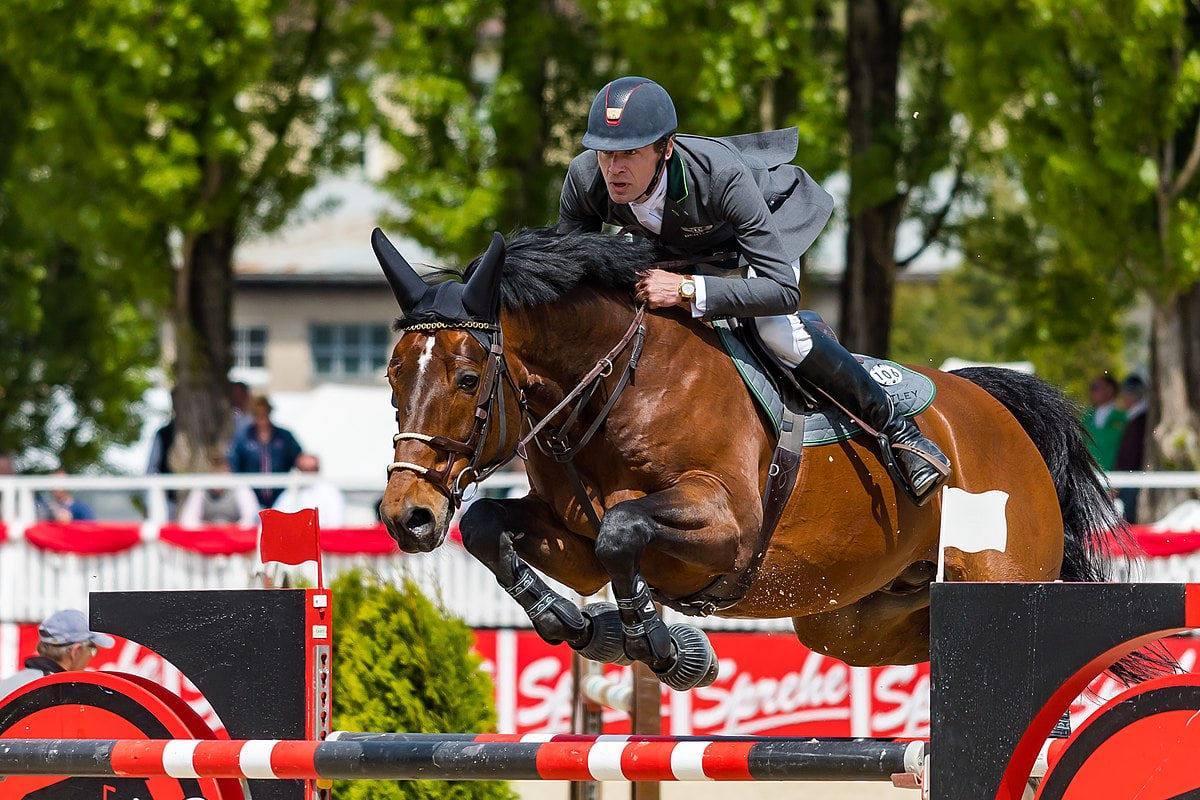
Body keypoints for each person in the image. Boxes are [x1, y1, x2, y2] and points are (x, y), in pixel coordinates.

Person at [557, 76, 951, 503]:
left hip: (764, 238)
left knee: (776, 331)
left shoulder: (720, 175)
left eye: (630, 153)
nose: (614, 169)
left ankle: (899, 431)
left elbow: (781, 290)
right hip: (677, 246)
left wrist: (688, 289)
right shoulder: (585, 179)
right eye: (605, 153)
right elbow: (572, 280)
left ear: (665, 148)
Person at [0, 609, 114, 701]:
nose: (91, 656)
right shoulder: (60, 695)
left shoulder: (11, 683)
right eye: (92, 650)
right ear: (76, 651)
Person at [227, 395, 302, 507]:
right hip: (251, 496)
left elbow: (299, 459)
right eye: (258, 414)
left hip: (281, 495)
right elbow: (233, 463)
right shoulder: (243, 437)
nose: (262, 418)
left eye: (265, 413)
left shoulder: (284, 436)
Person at [177, 455, 260, 527]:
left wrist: (229, 528)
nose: (218, 478)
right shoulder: (201, 489)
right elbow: (187, 520)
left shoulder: (240, 488)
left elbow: (251, 519)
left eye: (221, 473)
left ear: (228, 472)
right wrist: (210, 528)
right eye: (215, 473)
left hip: (234, 538)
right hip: (208, 538)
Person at [272, 453, 346, 527]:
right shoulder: (290, 493)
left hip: (323, 536)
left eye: (312, 469)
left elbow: (336, 523)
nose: (307, 473)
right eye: (303, 469)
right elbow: (277, 518)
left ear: (318, 470)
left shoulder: (330, 492)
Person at [1114, 375, 1148, 522]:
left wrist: (1118, 480)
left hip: (1131, 477)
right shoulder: (1135, 418)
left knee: (1129, 518)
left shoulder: (1139, 419)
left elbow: (1130, 454)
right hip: (1130, 476)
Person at [1083, 374, 1126, 471]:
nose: (1091, 391)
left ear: (1110, 389)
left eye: (1095, 387)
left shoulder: (1124, 416)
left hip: (1118, 479)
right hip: (1091, 477)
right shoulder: (1086, 417)